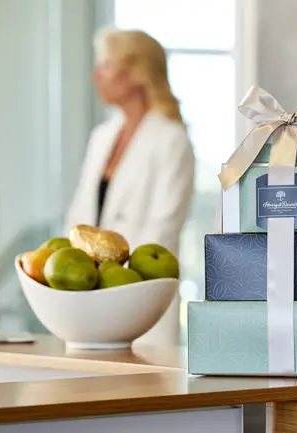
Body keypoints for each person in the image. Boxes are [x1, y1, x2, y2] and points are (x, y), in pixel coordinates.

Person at [65, 28, 195, 345]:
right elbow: (79, 215)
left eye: (106, 65)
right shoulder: (102, 137)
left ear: (136, 72)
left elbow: (162, 229)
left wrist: (115, 280)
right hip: (88, 293)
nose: (96, 75)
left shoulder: (171, 139)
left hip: (141, 298)